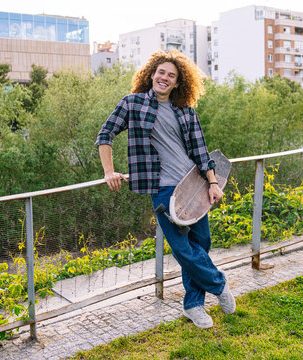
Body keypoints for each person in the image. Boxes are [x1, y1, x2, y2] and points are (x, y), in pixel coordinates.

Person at [95, 50, 235, 329]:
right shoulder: (132, 104)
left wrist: (213, 182)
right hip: (161, 189)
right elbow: (105, 135)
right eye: (161, 72)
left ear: (177, 83)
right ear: (151, 74)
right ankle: (219, 285)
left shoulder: (184, 109)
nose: (165, 78)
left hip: (194, 184)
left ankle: (194, 306)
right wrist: (108, 171)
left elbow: (200, 150)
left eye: (171, 75)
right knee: (183, 248)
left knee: (201, 245)